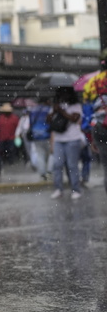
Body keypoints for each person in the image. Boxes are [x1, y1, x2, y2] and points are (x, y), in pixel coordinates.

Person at [49, 86, 84, 200]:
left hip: (73, 139)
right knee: (57, 165)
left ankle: (76, 189)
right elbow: (48, 120)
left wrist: (62, 111)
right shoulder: (56, 106)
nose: (63, 96)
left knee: (72, 165)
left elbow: (74, 118)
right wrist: (54, 111)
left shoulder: (76, 106)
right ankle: (58, 189)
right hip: (59, 139)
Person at [84, 51, 107, 192]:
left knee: (105, 165)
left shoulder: (92, 82)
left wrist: (91, 137)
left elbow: (88, 111)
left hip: (99, 126)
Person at [19, 97, 52, 180]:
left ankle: (42, 173)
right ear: (47, 101)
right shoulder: (49, 109)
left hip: (36, 135)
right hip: (47, 135)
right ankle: (48, 171)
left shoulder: (33, 110)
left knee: (40, 154)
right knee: (49, 154)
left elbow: (31, 122)